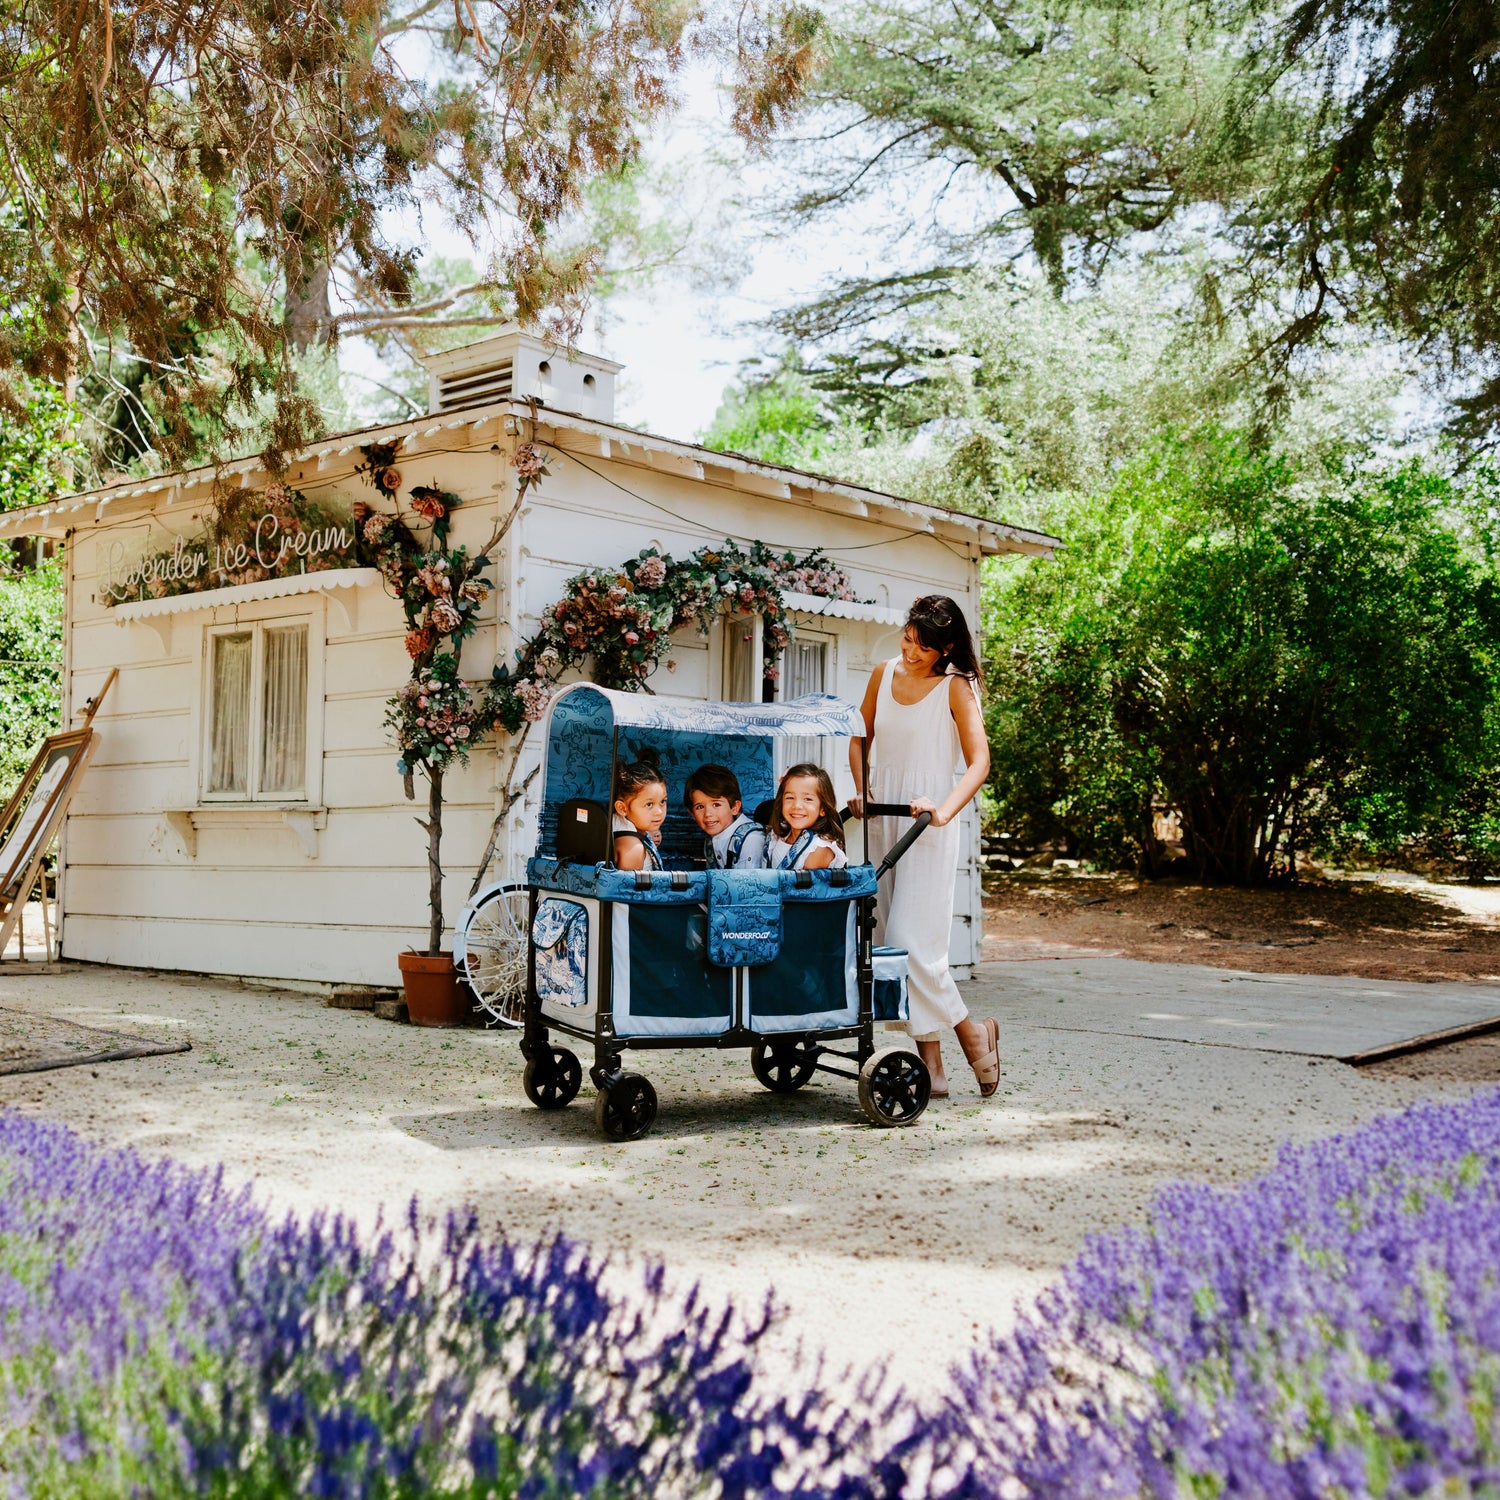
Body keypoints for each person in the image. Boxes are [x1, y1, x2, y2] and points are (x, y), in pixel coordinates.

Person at [849, 596, 998, 1099]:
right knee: (896, 946)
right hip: (883, 823)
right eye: (907, 639)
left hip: (928, 826)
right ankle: (932, 1066)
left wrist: (944, 809)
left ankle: (972, 1034)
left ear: (947, 648)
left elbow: (979, 762)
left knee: (913, 944)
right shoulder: (881, 673)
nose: (910, 651)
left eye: (922, 646)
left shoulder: (956, 688)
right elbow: (860, 737)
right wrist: (863, 789)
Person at [766, 763, 848, 871]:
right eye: (790, 797)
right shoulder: (780, 835)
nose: (797, 806)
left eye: (808, 799)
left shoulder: (818, 849)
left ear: (823, 809)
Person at [685, 764, 769, 869]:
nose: (708, 814)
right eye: (700, 807)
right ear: (692, 813)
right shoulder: (711, 840)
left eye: (716, 804)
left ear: (734, 807)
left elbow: (747, 883)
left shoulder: (751, 840)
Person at [612, 750, 668, 872]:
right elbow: (628, 890)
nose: (659, 811)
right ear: (622, 808)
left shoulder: (616, 822)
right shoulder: (633, 848)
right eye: (649, 804)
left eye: (663, 802)